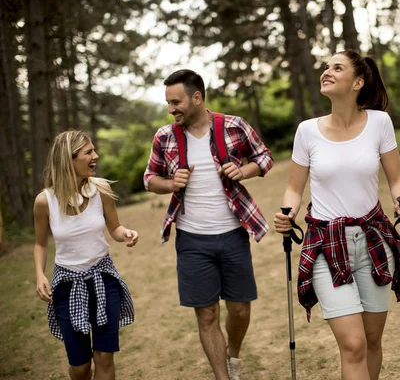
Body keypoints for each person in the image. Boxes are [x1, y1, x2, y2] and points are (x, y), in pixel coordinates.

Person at [274, 50, 400, 380]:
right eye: (326, 67)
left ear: (357, 82)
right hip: (326, 244)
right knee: (352, 345)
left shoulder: (380, 123)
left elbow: (396, 178)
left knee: (371, 340)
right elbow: (294, 188)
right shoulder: (307, 131)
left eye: (337, 68)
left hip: (373, 242)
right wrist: (288, 213)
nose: (327, 72)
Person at [143, 69, 273, 380]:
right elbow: (149, 180)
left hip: (232, 234)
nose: (171, 109)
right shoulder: (164, 136)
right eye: (168, 103)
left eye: (176, 102)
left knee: (240, 310)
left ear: (197, 97)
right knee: (207, 313)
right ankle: (223, 377)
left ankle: (233, 353)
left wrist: (245, 171)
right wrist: (171, 183)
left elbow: (265, 158)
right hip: (191, 240)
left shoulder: (233, 126)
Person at [33, 130, 138, 380]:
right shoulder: (44, 201)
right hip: (67, 286)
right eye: (89, 152)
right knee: (80, 366)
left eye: (94, 150)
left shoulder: (101, 189)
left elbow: (114, 227)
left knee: (104, 356)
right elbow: (40, 243)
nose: (96, 156)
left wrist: (126, 234)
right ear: (69, 159)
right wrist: (39, 275)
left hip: (104, 278)